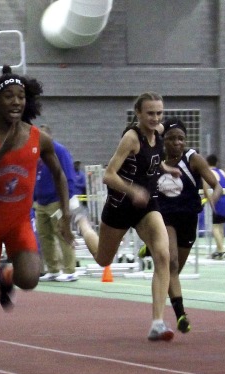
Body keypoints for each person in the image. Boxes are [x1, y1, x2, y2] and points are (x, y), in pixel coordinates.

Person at [0, 66, 73, 374]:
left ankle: (7, 273)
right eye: (8, 96)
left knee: (30, 280)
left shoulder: (39, 138)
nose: (16, 102)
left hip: (20, 223)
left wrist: (65, 215)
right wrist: (4, 151)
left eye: (21, 96)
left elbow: (60, 174)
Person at [73, 92, 179, 342]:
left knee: (163, 255)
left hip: (147, 204)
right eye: (150, 113)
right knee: (103, 259)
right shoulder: (131, 138)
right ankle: (81, 223)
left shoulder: (160, 133)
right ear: (138, 114)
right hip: (121, 204)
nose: (155, 118)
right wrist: (133, 191)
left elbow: (151, 162)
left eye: (159, 113)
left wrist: (166, 169)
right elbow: (108, 175)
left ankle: (157, 322)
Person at [150, 118, 222, 333]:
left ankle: (151, 252)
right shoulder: (156, 161)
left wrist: (213, 199)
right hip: (165, 218)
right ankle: (181, 314)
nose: (177, 143)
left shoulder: (193, 159)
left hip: (188, 219)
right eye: (172, 138)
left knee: (174, 271)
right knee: (170, 263)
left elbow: (216, 185)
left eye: (181, 139)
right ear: (164, 141)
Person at [35, 124, 79, 282]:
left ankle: (70, 270)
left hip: (56, 201)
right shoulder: (36, 153)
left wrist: (66, 202)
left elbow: (68, 175)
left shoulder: (59, 151)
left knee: (63, 233)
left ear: (48, 137)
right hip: (41, 201)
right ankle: (53, 269)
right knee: (44, 236)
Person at [205, 154, 225, 259]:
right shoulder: (222, 172)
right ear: (216, 163)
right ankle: (218, 249)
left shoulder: (210, 172)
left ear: (207, 163)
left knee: (215, 226)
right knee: (220, 226)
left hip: (219, 201)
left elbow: (207, 187)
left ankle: (221, 250)